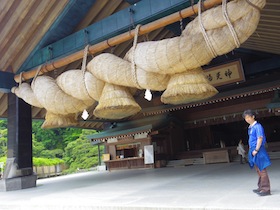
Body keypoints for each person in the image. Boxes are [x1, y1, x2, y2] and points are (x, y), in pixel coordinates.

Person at [243, 109, 271, 196]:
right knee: (258, 169)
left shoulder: (257, 126)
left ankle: (266, 189)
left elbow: (260, 138)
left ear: (253, 117)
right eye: (245, 118)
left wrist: (256, 149)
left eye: (248, 117)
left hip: (258, 149)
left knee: (262, 169)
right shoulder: (251, 127)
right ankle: (261, 187)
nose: (247, 119)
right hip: (253, 149)